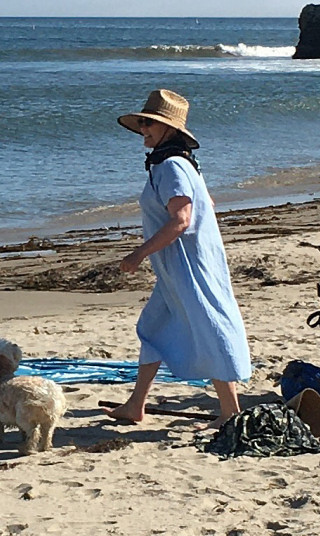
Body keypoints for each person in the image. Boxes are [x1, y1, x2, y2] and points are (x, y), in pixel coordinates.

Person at [105, 89, 252, 428]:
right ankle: (135, 405)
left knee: (209, 328)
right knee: (153, 329)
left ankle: (231, 410)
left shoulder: (171, 166)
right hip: (176, 268)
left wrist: (138, 254)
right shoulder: (178, 163)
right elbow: (207, 205)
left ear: (169, 129)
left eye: (150, 124)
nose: (144, 129)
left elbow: (181, 220)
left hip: (189, 267)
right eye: (142, 123)